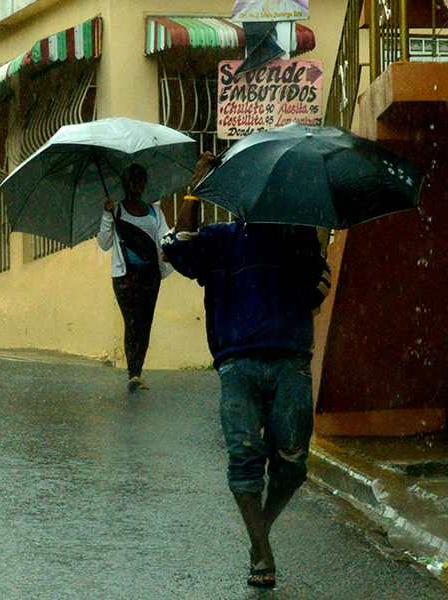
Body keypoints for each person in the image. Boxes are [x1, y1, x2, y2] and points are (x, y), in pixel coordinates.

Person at [161, 152, 331, 588]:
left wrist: (313, 244)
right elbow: (178, 249)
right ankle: (263, 552)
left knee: (292, 464)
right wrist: (195, 190)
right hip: (236, 363)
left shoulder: (298, 236)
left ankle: (261, 532)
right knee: (244, 459)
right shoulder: (220, 239)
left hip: (291, 359)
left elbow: (317, 286)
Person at [97, 163, 174, 392]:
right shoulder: (116, 210)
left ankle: (138, 371)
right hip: (125, 276)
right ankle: (133, 375)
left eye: (140, 180)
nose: (137, 184)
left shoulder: (154, 211)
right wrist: (107, 215)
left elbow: (164, 237)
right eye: (132, 180)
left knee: (145, 323)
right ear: (124, 183)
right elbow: (104, 243)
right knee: (132, 322)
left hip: (150, 274)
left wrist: (169, 250)